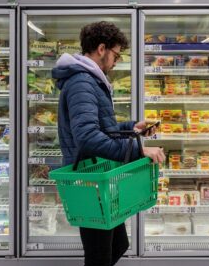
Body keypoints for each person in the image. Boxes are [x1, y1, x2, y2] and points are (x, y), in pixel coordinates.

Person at [52, 21, 165, 266]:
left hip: (97, 175)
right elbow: (88, 137)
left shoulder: (90, 80)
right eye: (116, 54)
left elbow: (98, 127)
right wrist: (139, 150)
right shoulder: (82, 82)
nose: (117, 61)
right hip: (88, 178)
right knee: (99, 257)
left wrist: (130, 128)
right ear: (101, 49)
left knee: (118, 245)